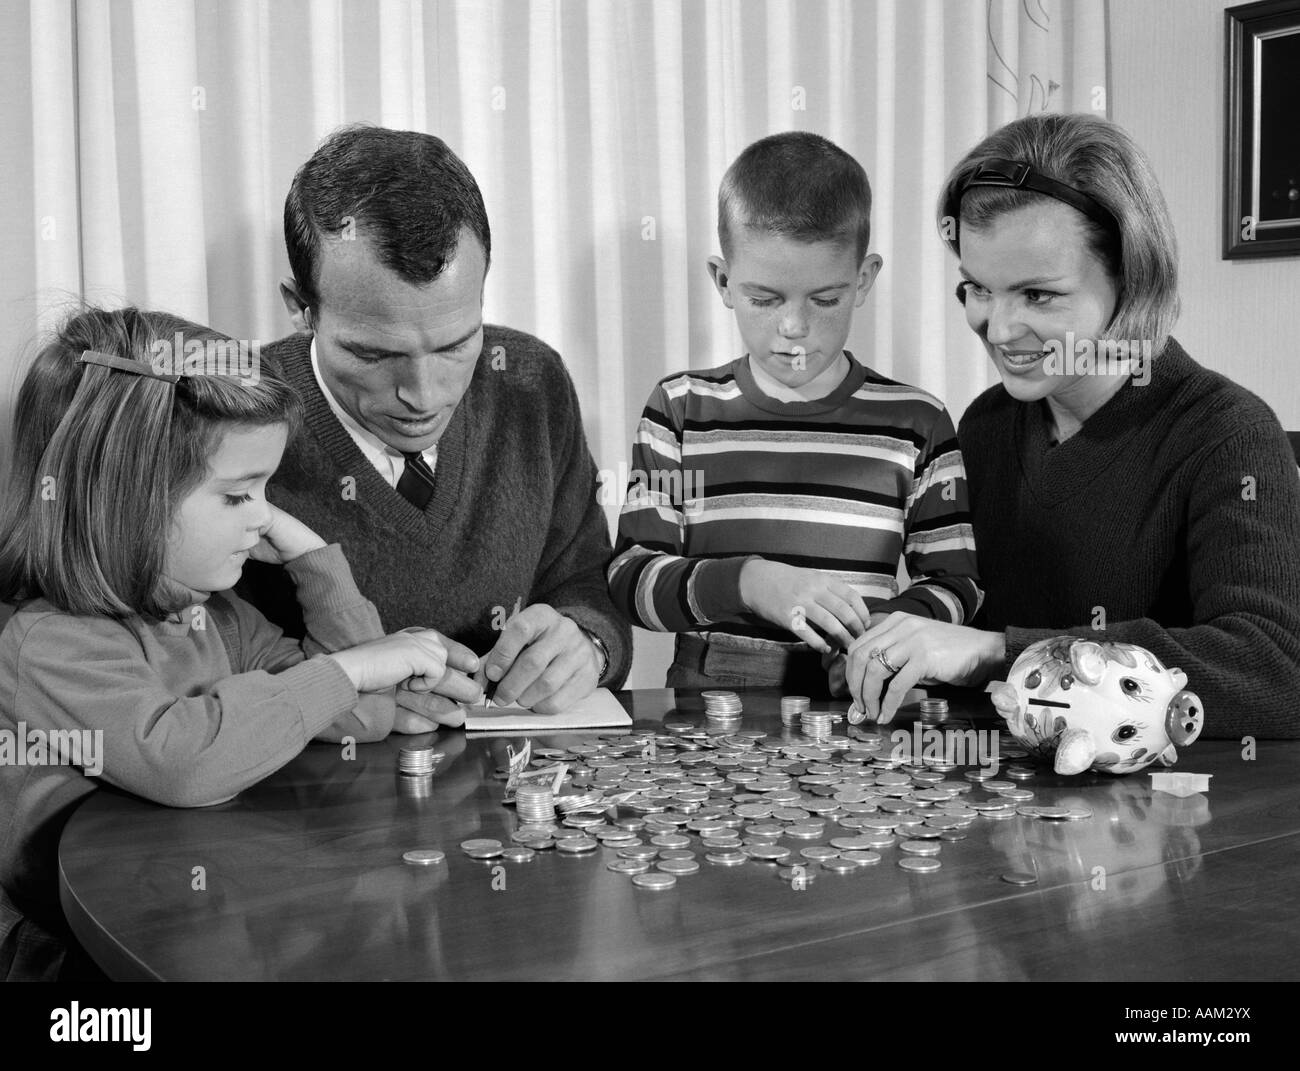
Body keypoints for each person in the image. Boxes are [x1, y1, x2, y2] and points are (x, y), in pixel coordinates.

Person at [0, 308, 450, 981]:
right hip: (76, 956)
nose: (264, 517)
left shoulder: (218, 617)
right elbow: (184, 761)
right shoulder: (48, 644)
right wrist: (354, 666)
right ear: (129, 501)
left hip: (195, 915)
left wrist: (314, 559)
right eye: (239, 495)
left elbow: (364, 714)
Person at [844, 113, 1300, 737]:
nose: (998, 329)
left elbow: (1276, 672)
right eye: (977, 288)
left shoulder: (1230, 435)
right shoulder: (986, 426)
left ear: (1131, 281)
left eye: (1038, 295)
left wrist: (995, 651)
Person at [242, 125, 630, 728]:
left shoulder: (531, 381)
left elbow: (584, 576)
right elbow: (179, 659)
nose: (423, 396)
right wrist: (342, 689)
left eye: (454, 345)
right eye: (373, 355)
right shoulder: (226, 417)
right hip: (307, 803)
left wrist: (589, 641)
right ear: (300, 308)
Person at [608, 132, 983, 694]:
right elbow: (631, 579)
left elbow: (958, 584)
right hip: (713, 690)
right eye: (765, 299)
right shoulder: (680, 409)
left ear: (863, 279)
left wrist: (884, 634)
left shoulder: (918, 421)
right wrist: (752, 582)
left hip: (858, 682)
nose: (794, 328)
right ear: (723, 282)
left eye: (825, 300)